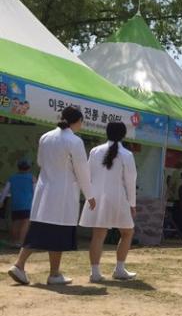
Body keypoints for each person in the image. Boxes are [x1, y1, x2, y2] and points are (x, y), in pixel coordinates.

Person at [7, 107, 95, 286]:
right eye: (81, 121)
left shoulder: (45, 137)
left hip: (45, 190)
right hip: (63, 193)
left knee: (38, 230)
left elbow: (40, 162)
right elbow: (82, 171)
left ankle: (21, 265)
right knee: (58, 233)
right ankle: (53, 274)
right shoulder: (74, 141)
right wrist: (90, 195)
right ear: (77, 121)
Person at [79, 122, 138, 282]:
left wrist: (88, 195)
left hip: (97, 197)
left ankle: (95, 272)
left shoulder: (95, 151)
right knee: (127, 232)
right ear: (123, 135)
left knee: (98, 235)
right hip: (118, 197)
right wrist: (132, 204)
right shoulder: (126, 154)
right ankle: (119, 269)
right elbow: (130, 181)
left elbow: (87, 175)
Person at [1, 160, 36, 247]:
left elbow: (5, 190)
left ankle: (15, 241)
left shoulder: (12, 178)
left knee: (15, 222)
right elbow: (35, 191)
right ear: (29, 168)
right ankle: (21, 242)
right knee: (26, 223)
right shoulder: (32, 178)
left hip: (16, 205)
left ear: (18, 168)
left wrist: (1, 201)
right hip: (28, 205)